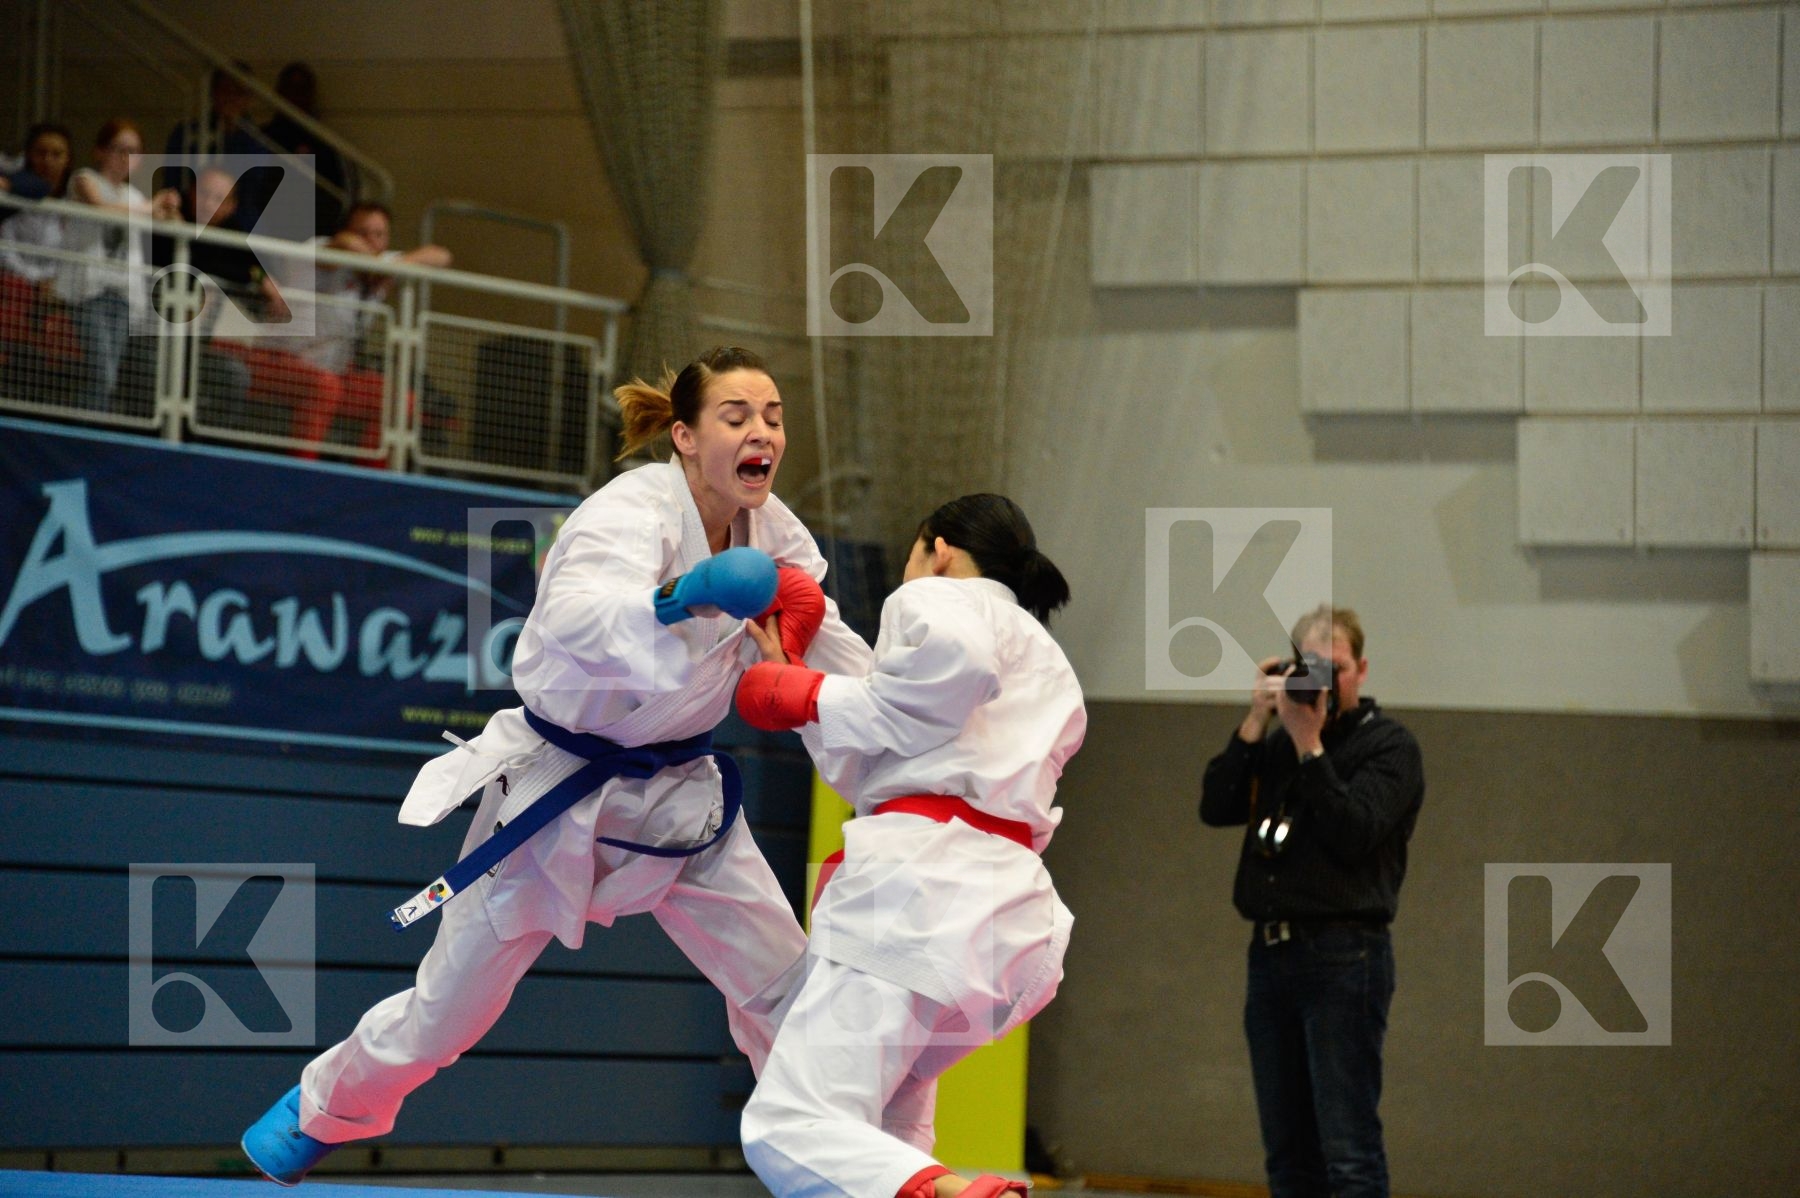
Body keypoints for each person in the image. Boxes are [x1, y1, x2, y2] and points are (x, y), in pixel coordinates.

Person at [239, 346, 871, 1186]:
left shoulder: (778, 542)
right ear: (683, 436)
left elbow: (840, 661)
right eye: (736, 416)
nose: (762, 432)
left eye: (773, 417)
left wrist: (914, 725)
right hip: (554, 797)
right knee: (443, 1020)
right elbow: (572, 621)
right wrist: (678, 597)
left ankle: (839, 1169)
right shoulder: (628, 513)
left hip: (684, 801)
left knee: (786, 991)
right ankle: (321, 1107)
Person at [733, 493, 1086, 1198]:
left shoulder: (940, 603)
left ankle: (958, 1196)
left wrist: (803, 697)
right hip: (1005, 921)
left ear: (939, 548)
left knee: (789, 1122)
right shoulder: (1051, 663)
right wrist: (805, 691)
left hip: (921, 895)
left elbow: (955, 660)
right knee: (885, 1132)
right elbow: (887, 757)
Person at [1198, 605, 1424, 1198]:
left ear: (1362, 669)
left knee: (1347, 1150)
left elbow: (1355, 831)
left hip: (1345, 960)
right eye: (1309, 666)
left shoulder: (1390, 747)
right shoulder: (1276, 746)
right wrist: (1256, 719)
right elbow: (1217, 806)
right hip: (1270, 958)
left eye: (1337, 667)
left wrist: (1310, 746)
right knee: (1288, 1154)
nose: (1323, 680)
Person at [250, 200, 450, 458]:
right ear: (345, 230)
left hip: (334, 375)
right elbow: (345, 245)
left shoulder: (382, 265)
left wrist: (386, 268)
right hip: (274, 364)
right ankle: (300, 471)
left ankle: (368, 480)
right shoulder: (319, 250)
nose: (371, 241)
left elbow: (440, 256)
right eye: (363, 233)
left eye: (379, 235)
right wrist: (375, 265)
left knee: (401, 401)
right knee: (325, 386)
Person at [56, 118, 179, 412]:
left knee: (109, 377)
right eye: (118, 149)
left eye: (133, 151)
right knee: (103, 376)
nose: (125, 158)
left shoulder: (135, 197)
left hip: (123, 297)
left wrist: (171, 206)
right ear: (99, 151)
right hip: (89, 293)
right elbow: (100, 207)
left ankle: (89, 428)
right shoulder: (84, 179)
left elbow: (171, 224)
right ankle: (78, 436)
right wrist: (152, 207)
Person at [1, 123, 77, 395]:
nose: (48, 161)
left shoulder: (77, 201)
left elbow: (75, 253)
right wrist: (35, 282)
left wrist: (53, 282)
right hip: (16, 286)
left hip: (56, 293)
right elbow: (5, 248)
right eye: (41, 153)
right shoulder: (13, 197)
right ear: (28, 156)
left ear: (68, 159)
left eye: (57, 154)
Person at [261, 62, 350, 236]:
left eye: (302, 90)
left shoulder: (323, 142)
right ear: (279, 92)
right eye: (290, 88)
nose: (295, 96)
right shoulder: (262, 137)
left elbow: (338, 193)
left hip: (312, 227)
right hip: (268, 222)